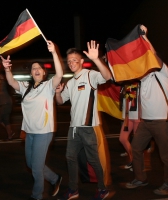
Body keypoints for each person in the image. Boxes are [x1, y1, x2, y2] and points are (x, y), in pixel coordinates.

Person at [124, 25, 168, 196]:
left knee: (166, 155)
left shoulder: (162, 72)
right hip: (145, 123)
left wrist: (144, 37)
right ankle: (140, 178)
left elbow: (152, 53)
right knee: (136, 148)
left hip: (160, 122)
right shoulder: (142, 79)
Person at [0, 40, 63, 200]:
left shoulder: (48, 86)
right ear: (31, 73)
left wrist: (54, 52)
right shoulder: (26, 87)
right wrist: (7, 69)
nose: (36, 69)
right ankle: (55, 178)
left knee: (36, 168)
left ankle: (37, 196)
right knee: (31, 164)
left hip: (44, 132)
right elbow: (11, 82)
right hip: (29, 132)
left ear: (43, 73)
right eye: (33, 68)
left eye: (39, 68)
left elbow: (60, 74)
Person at [55, 40, 112, 200]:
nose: (71, 63)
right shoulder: (71, 82)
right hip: (74, 129)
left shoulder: (90, 75)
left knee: (94, 160)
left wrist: (96, 59)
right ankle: (73, 189)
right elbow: (60, 101)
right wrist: (58, 92)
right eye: (69, 61)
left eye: (74, 60)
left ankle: (103, 189)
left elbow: (107, 76)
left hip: (88, 127)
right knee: (70, 158)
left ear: (81, 61)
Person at [118, 81, 140, 171]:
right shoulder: (125, 84)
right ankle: (133, 160)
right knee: (122, 138)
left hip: (139, 116)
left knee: (138, 143)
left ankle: (137, 164)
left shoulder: (141, 82)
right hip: (128, 116)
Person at [0, 71, 15, 140]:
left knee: (2, 120)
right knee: (3, 120)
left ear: (2, 76)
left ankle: (10, 134)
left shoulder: (4, 83)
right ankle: (10, 133)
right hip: (5, 104)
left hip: (6, 104)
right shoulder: (3, 83)